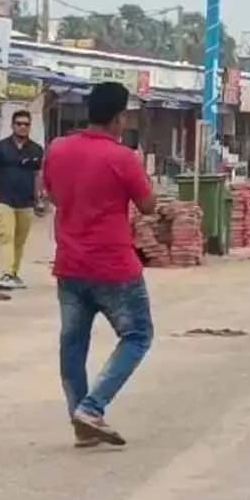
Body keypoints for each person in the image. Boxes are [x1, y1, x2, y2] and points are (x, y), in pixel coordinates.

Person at [42, 82, 156, 448]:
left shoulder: (57, 149)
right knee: (137, 335)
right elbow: (149, 205)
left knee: (73, 344)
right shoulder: (121, 157)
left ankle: (80, 419)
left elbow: (54, 194)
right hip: (113, 265)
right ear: (119, 117)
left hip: (70, 263)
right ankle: (92, 407)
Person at [0, 110, 44, 291]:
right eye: (19, 123)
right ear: (12, 126)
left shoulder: (36, 150)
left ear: (30, 126)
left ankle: (13, 274)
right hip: (4, 200)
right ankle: (6, 274)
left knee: (19, 241)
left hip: (26, 202)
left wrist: (39, 198)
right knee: (7, 236)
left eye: (26, 124)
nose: (22, 127)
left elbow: (38, 176)